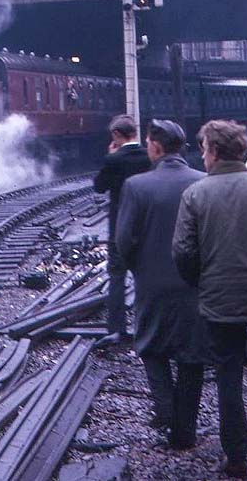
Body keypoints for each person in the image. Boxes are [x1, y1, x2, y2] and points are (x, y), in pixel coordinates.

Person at [172, 120, 247, 478]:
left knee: (228, 370)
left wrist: (200, 281)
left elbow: (182, 252)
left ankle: (236, 454)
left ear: (212, 151)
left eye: (204, 148)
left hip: (218, 295)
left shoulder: (194, 195)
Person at [115, 119, 208, 449]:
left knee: (152, 347)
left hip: (151, 281)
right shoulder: (203, 181)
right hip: (195, 281)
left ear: (154, 146)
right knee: (192, 354)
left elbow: (123, 241)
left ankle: (166, 411)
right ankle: (185, 431)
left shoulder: (137, 186)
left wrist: (138, 268)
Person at [94, 114, 153, 337]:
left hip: (119, 225)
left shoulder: (114, 160)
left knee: (117, 276)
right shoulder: (149, 157)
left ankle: (117, 328)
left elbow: (99, 187)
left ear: (117, 135)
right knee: (144, 276)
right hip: (144, 225)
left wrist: (111, 155)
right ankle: (145, 326)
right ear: (134, 133)